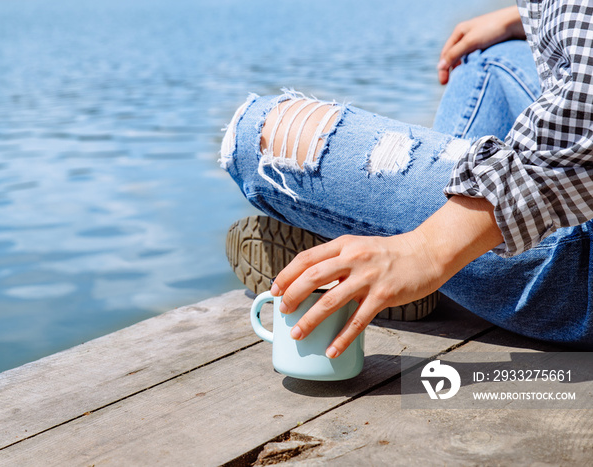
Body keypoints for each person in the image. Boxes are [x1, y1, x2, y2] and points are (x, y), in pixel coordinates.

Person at [221, 3, 593, 358]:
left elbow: (583, 117)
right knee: (485, 57)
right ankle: (443, 266)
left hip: (581, 265)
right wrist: (523, 18)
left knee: (258, 135)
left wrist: (426, 249)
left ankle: (435, 264)